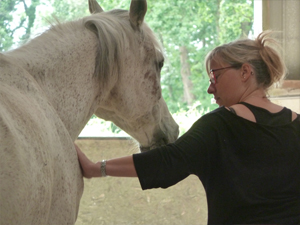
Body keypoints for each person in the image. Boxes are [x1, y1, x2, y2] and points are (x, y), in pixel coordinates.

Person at [75, 30, 300, 224]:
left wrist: (97, 168)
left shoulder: (219, 125)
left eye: (215, 76)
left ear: (245, 72)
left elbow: (167, 162)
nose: (210, 89)